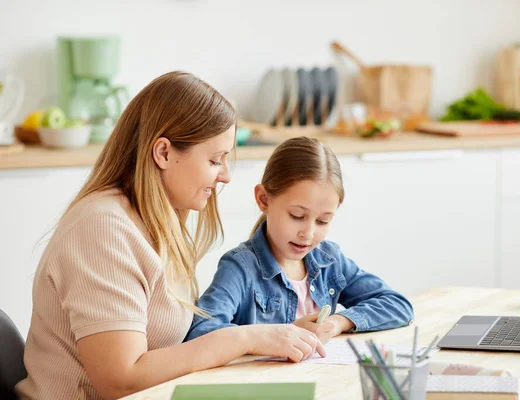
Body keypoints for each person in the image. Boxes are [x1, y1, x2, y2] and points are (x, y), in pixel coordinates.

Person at [15, 72, 324, 400]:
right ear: (163, 153)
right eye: (214, 160)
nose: (226, 176)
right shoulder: (102, 229)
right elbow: (121, 379)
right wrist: (245, 338)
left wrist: (264, 336)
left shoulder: (153, 223)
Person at [185, 136, 414, 345]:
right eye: (297, 216)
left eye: (323, 221)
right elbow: (201, 332)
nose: (308, 233)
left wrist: (338, 323)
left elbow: (397, 304)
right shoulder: (241, 267)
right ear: (264, 199)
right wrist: (273, 337)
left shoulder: (329, 261)